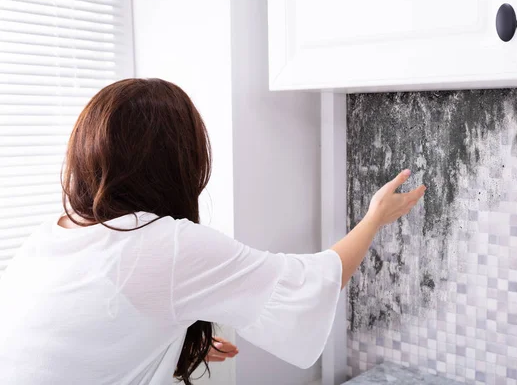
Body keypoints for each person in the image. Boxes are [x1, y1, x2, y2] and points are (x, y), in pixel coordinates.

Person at [0, 78, 426, 385]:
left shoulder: (49, 236)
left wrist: (165, 344)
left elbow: (78, 342)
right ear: (178, 161)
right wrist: (374, 219)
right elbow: (308, 283)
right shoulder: (163, 245)